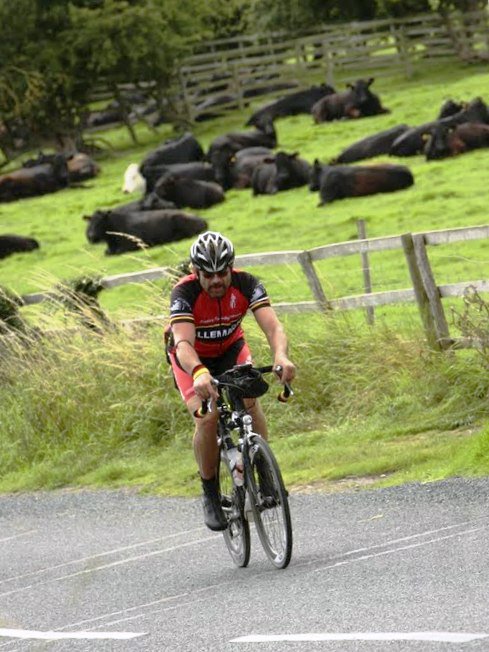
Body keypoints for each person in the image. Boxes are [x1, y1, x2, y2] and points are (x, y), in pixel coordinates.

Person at [166, 230, 296, 531]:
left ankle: (265, 475)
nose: (216, 281)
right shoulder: (183, 294)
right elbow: (183, 344)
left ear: (231, 267)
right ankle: (210, 493)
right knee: (207, 418)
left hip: (230, 349)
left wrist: (281, 355)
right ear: (194, 271)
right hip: (192, 358)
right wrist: (198, 372)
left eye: (222, 272)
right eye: (207, 274)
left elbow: (273, 326)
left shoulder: (246, 284)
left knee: (250, 402)